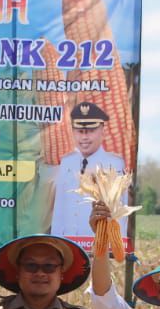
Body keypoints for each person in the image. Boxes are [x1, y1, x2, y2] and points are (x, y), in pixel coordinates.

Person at [48, 102, 127, 246]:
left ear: (102, 130)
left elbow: (119, 214)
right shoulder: (66, 162)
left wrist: (116, 246)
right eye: (79, 131)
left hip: (98, 247)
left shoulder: (114, 164)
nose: (84, 137)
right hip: (67, 247)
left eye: (90, 131)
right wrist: (55, 243)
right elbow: (59, 209)